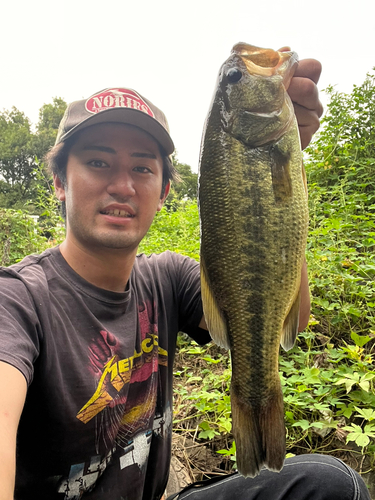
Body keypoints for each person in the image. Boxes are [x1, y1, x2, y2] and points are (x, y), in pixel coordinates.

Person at [0, 59, 370, 500]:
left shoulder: (166, 278)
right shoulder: (18, 300)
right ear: (60, 182)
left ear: (163, 193)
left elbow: (294, 314)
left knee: (332, 484)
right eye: (98, 162)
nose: (123, 185)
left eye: (142, 168)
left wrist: (283, 173)